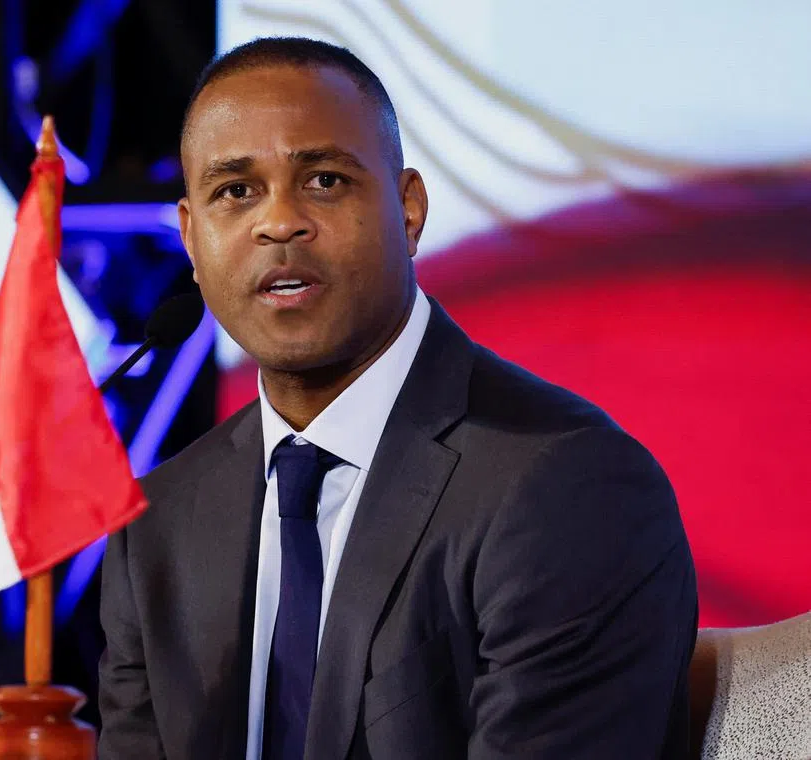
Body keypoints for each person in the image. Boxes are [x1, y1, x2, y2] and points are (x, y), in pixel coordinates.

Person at [98, 36, 698, 760]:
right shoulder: (157, 529)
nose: (278, 221)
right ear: (192, 238)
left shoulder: (568, 487)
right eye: (235, 191)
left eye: (324, 180)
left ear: (408, 211)